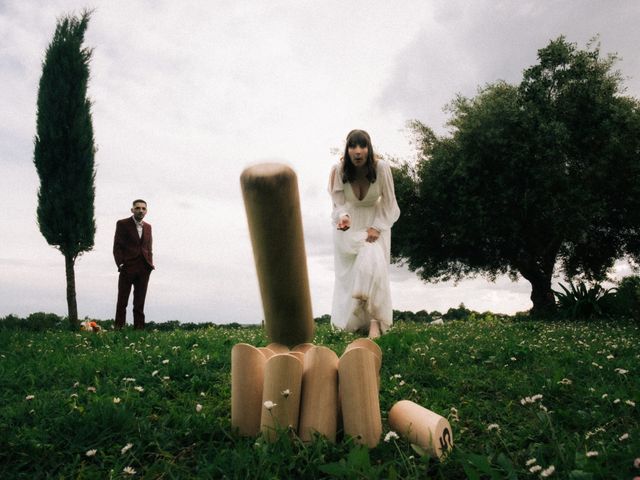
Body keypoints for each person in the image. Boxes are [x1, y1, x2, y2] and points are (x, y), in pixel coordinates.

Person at [328, 130, 400, 338]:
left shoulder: (381, 168)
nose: (358, 151)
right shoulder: (338, 170)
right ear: (347, 149)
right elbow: (338, 203)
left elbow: (389, 203)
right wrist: (343, 217)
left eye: (362, 146)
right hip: (350, 227)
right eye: (353, 146)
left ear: (369, 149)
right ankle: (354, 323)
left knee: (375, 266)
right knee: (350, 276)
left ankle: (376, 323)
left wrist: (377, 227)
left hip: (376, 222)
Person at [113, 199, 154, 330]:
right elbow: (117, 246)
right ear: (132, 210)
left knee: (139, 302)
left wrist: (150, 264)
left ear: (146, 211)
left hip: (144, 268)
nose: (140, 210)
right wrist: (120, 264)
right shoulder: (122, 224)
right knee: (122, 301)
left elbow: (149, 247)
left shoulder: (148, 227)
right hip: (128, 267)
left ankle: (139, 330)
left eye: (143, 208)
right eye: (138, 208)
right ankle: (119, 329)